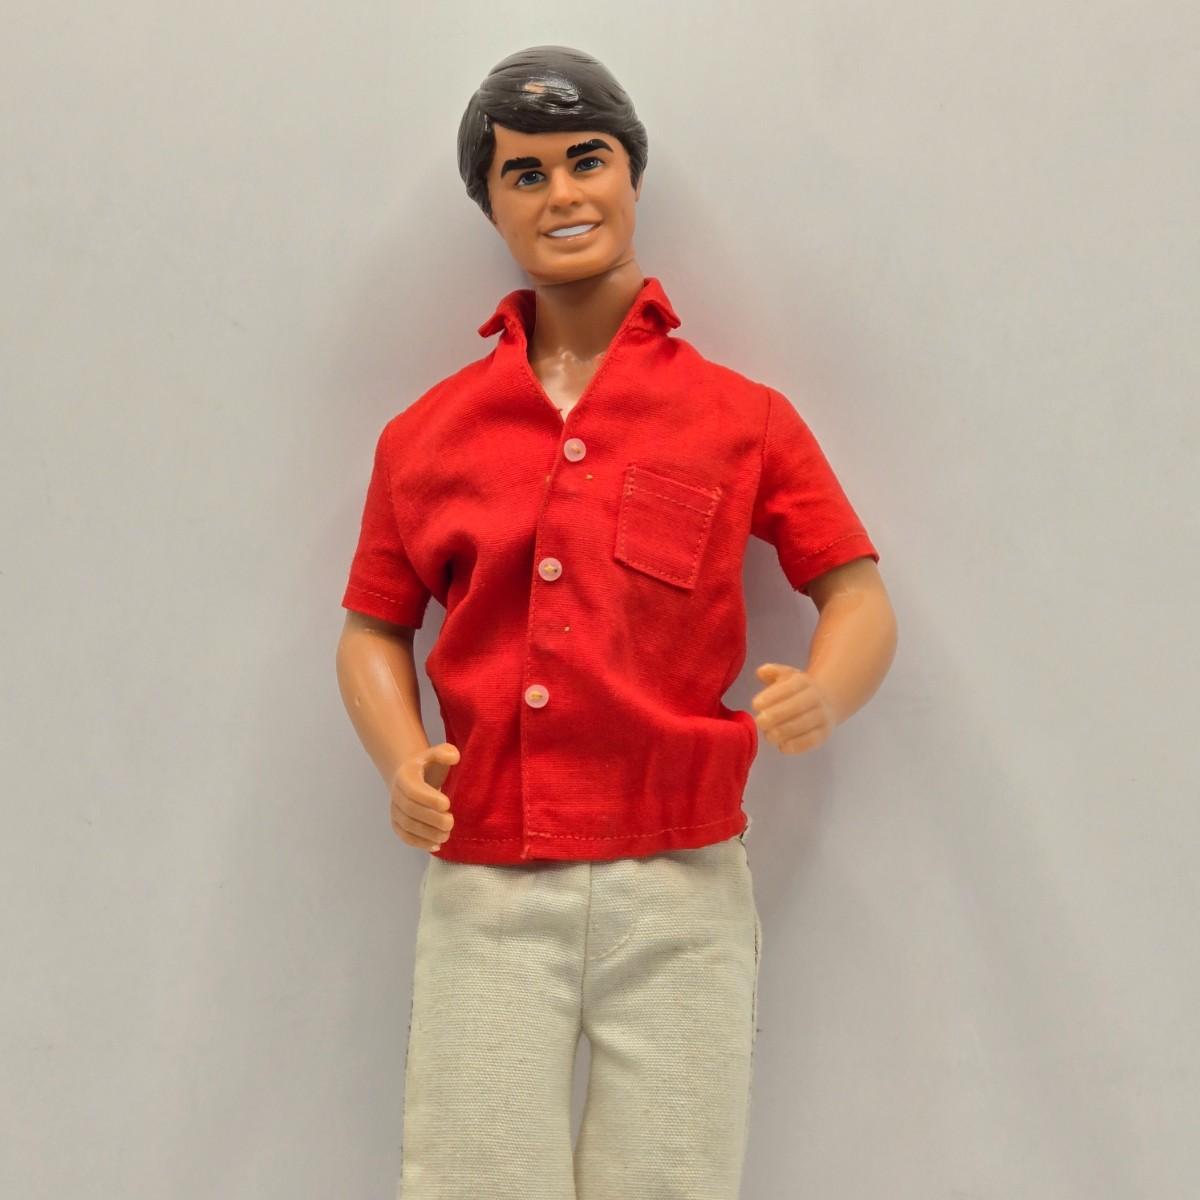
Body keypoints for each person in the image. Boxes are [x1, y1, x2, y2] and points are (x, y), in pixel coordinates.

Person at [335, 44, 898, 1200]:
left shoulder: (740, 419)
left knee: (674, 1174)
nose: (562, 195)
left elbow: (855, 591)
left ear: (633, 174)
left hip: (680, 873)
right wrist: (400, 759)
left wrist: (827, 688)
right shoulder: (427, 437)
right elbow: (373, 627)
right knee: (476, 1172)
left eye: (586, 160)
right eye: (524, 174)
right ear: (491, 204)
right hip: (492, 874)